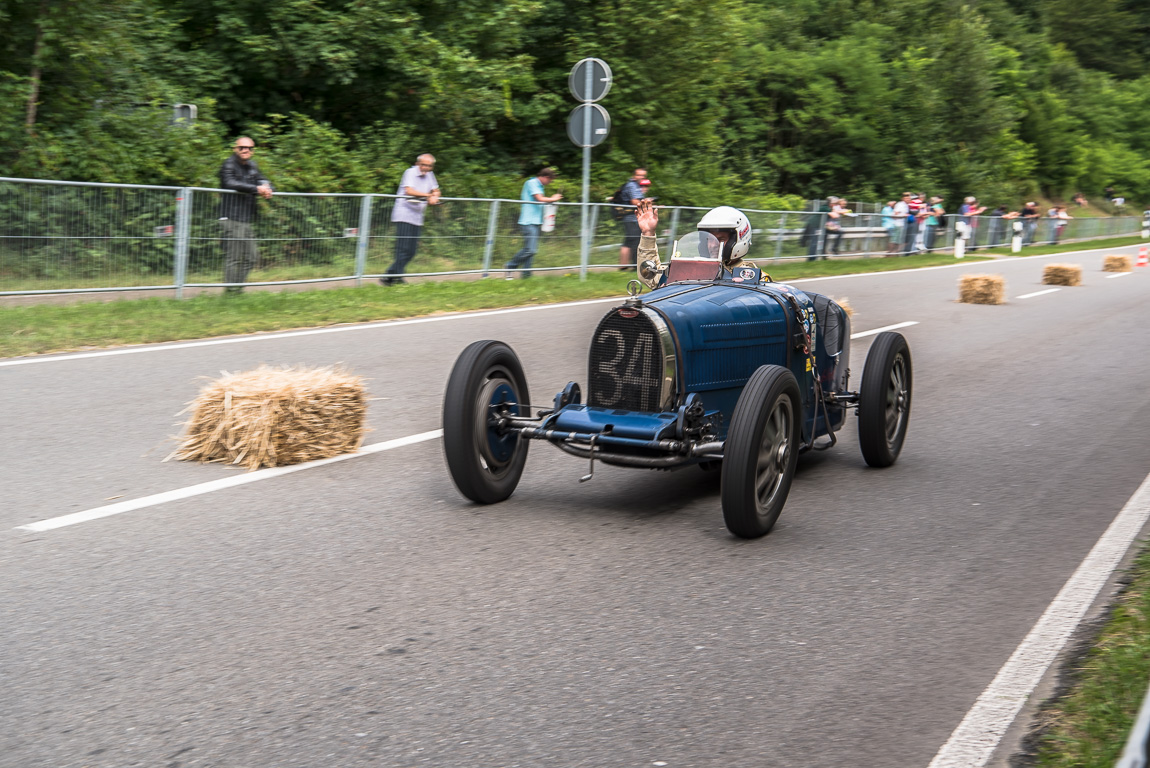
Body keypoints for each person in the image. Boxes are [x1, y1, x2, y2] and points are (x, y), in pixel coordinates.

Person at [633, 199, 753, 289]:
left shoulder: (752, 276)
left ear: (738, 240)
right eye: (708, 239)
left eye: (720, 239)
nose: (712, 245)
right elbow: (651, 276)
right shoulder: (694, 267)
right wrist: (648, 233)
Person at [218, 136, 273, 294]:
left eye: (249, 148)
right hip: (231, 216)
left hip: (246, 218)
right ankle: (231, 292)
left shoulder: (252, 166)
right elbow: (230, 183)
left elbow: (264, 180)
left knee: (252, 257)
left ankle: (237, 289)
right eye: (242, 147)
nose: (245, 150)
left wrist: (267, 189)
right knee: (234, 257)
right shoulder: (229, 164)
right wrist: (256, 189)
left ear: (252, 150)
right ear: (236, 149)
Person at [382, 153, 440, 285]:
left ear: (432, 167)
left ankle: (389, 276)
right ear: (418, 163)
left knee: (412, 251)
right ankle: (395, 277)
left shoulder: (430, 175)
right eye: (423, 165)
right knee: (402, 248)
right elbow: (409, 191)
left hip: (417, 216)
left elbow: (436, 189)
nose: (425, 168)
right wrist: (428, 195)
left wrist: (435, 195)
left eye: (429, 166)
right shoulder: (410, 172)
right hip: (404, 214)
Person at [504, 167, 562, 279]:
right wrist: (553, 198)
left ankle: (526, 275)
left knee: (530, 250)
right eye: (550, 181)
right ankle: (510, 265)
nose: (549, 183)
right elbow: (539, 198)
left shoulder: (539, 185)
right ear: (545, 177)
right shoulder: (532, 183)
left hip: (535, 222)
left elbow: (540, 202)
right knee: (530, 249)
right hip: (528, 221)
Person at [617, 168, 647, 269]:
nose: (641, 177)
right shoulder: (632, 185)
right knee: (635, 241)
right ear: (634, 175)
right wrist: (649, 203)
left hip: (632, 217)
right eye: (639, 175)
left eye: (643, 176)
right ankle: (634, 266)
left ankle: (624, 266)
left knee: (629, 241)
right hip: (631, 218)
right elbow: (635, 202)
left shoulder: (636, 186)